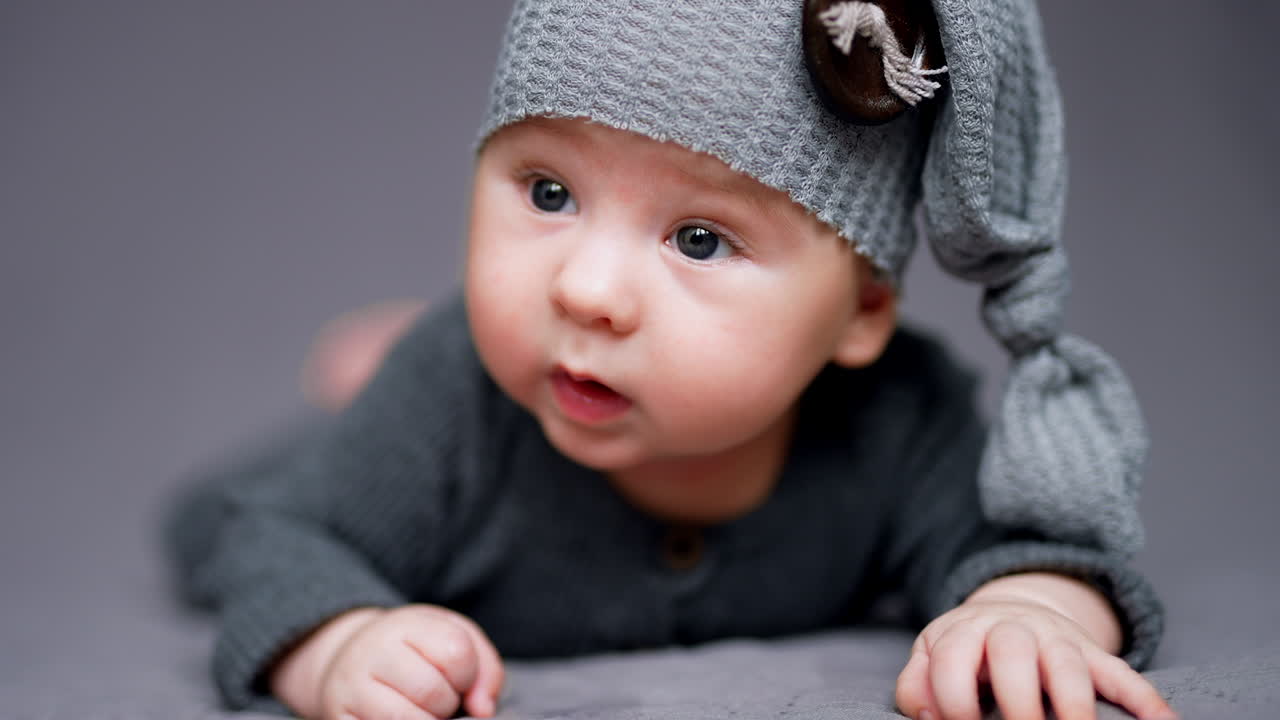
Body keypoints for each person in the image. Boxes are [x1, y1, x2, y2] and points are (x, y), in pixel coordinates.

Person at [166, 2, 1178, 719]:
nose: (585, 292)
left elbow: (1031, 550)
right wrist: (336, 642)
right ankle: (366, 371)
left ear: (860, 312)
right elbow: (273, 537)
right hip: (402, 421)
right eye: (547, 193)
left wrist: (1026, 614)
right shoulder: (452, 402)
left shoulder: (897, 422)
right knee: (224, 509)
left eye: (699, 240)